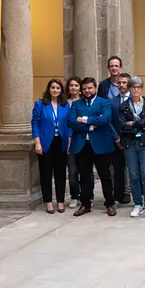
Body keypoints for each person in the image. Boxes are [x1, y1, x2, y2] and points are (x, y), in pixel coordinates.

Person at [68, 77, 117, 217]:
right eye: (84, 89)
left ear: (95, 88)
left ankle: (109, 203)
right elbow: (72, 122)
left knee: (105, 176)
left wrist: (85, 120)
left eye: (89, 88)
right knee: (84, 177)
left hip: (101, 145)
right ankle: (85, 204)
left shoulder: (104, 102)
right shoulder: (76, 104)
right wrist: (92, 126)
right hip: (82, 145)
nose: (87, 91)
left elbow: (105, 119)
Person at [117, 76, 145, 220]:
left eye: (138, 87)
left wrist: (133, 123)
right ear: (129, 89)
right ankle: (138, 203)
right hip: (130, 144)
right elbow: (122, 126)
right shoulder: (123, 106)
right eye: (133, 87)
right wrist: (141, 124)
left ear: (141, 88)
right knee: (134, 175)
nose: (135, 90)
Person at [31, 79, 71, 214]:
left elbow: (69, 124)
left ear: (61, 90)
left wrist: (70, 141)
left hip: (61, 142)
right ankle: (48, 201)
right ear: (49, 89)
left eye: (58, 88)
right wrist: (37, 143)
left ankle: (60, 201)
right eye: (53, 87)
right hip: (45, 143)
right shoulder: (40, 104)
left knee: (60, 173)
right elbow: (35, 124)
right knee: (46, 174)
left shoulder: (65, 105)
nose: (55, 90)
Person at [109, 72, 131, 206]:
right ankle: (118, 195)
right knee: (117, 169)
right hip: (116, 140)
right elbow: (109, 122)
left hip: (132, 139)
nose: (122, 85)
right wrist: (117, 139)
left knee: (133, 168)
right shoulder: (112, 102)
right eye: (120, 83)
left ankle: (132, 193)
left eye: (124, 83)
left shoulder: (135, 100)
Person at [64, 76, 83, 209]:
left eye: (76, 85)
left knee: (86, 171)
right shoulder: (63, 103)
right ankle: (74, 196)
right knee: (72, 171)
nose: (74, 88)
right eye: (71, 85)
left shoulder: (84, 102)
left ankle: (87, 196)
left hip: (83, 139)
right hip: (68, 141)